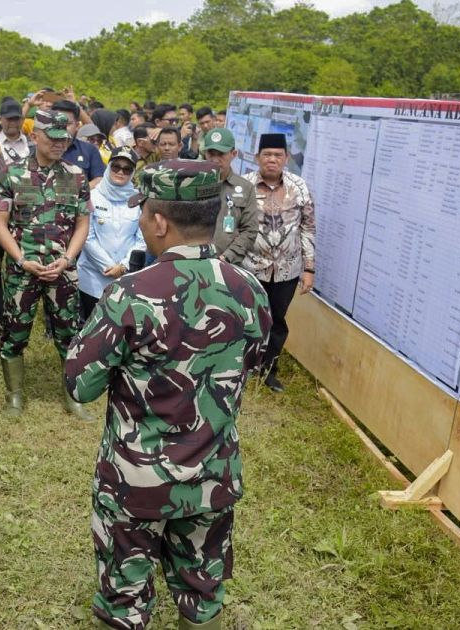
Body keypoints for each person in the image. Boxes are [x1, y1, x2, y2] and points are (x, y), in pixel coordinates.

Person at [65, 160, 272, 630]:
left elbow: (81, 383)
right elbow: (254, 362)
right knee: (202, 595)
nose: (142, 221)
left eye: (143, 213)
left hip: (135, 482)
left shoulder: (129, 295)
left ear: (159, 221)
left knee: (124, 598)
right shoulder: (250, 290)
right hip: (212, 476)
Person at [0, 110, 91, 420]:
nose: (60, 144)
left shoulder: (76, 176)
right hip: (23, 271)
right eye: (53, 138)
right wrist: (20, 259)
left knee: (69, 335)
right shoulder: (11, 174)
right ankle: (15, 397)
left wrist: (68, 259)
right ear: (35, 137)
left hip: (62, 270)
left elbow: (83, 223)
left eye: (65, 138)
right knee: (14, 334)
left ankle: (72, 397)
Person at [241, 133, 315, 393]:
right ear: (257, 157)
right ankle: (244, 367)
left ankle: (269, 370)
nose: (272, 160)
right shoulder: (245, 185)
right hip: (251, 266)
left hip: (287, 269)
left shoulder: (299, 187)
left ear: (285, 158)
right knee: (249, 318)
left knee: (277, 320)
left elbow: (307, 228)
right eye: (267, 155)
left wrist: (309, 268)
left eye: (277, 155)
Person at [76, 147, 143, 320]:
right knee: (90, 329)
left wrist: (123, 267)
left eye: (127, 169)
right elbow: (86, 237)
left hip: (126, 277)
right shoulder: (91, 196)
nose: (121, 172)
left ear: (132, 173)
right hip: (92, 279)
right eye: (116, 167)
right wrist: (108, 267)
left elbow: (141, 240)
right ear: (109, 167)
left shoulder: (139, 200)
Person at [200, 128, 258, 266]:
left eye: (221, 154)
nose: (215, 159)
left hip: (227, 264)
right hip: (194, 261)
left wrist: (228, 257)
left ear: (234, 154)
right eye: (211, 153)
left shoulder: (245, 188)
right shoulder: (194, 184)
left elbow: (250, 230)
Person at [52, 100, 105, 187]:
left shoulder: (90, 150)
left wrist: (75, 192)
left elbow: (99, 179)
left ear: (77, 126)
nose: (62, 127)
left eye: (67, 123)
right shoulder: (40, 149)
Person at [0, 100, 29, 165]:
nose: (13, 122)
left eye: (16, 118)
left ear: (22, 120)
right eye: (9, 119)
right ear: (0, 120)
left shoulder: (31, 144)